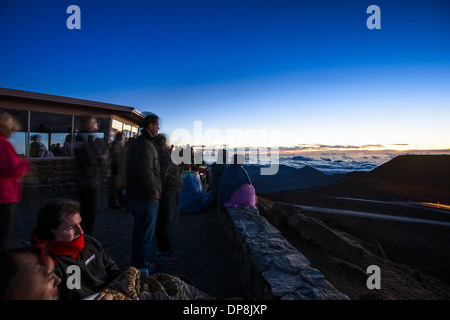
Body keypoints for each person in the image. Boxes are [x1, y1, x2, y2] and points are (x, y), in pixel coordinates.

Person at [30, 198, 121, 300]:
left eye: (79, 224)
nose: (80, 231)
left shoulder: (89, 242)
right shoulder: (47, 264)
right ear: (50, 232)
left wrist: (121, 282)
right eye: (71, 228)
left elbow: (110, 265)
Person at [126, 114, 162, 272]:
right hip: (145, 198)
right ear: (150, 126)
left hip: (140, 196)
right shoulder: (144, 145)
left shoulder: (144, 143)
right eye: (157, 125)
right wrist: (154, 193)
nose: (158, 128)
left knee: (141, 231)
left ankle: (139, 263)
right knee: (144, 234)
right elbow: (146, 173)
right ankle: (140, 267)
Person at [73, 114, 110, 234]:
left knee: (89, 211)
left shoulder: (90, 137)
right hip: (87, 181)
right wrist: (101, 158)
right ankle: (85, 239)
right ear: (87, 123)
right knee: (88, 211)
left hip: (90, 180)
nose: (97, 125)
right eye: (94, 122)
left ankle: (86, 238)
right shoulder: (82, 137)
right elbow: (86, 158)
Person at [0, 110, 31, 251]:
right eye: (11, 129)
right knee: (3, 233)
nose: (12, 133)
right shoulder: (3, 144)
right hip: (4, 195)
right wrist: (24, 163)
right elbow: (11, 168)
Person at [153, 134, 182, 262]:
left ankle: (165, 247)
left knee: (165, 221)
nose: (165, 146)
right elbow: (163, 175)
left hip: (170, 192)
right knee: (164, 222)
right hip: (166, 193)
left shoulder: (163, 156)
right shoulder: (161, 157)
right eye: (163, 144)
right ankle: (164, 250)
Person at [108, 131, 125, 210]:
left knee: (118, 186)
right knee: (115, 186)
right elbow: (115, 157)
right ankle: (113, 203)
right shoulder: (116, 145)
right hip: (115, 168)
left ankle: (121, 201)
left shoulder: (116, 144)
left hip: (117, 168)